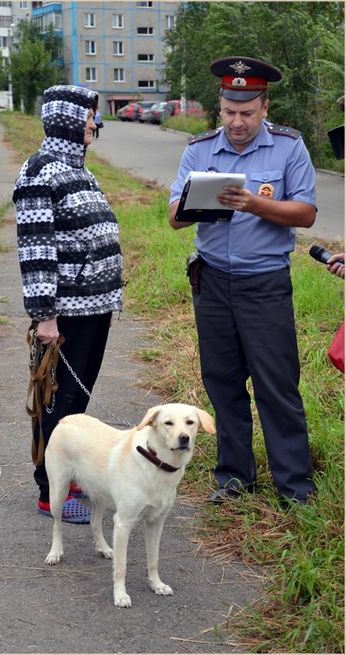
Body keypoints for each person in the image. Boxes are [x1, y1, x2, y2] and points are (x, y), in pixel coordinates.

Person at [168, 56, 317, 505]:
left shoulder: (290, 148)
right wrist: (200, 200)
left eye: (247, 112)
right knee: (222, 382)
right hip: (211, 282)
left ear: (264, 107)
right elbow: (174, 217)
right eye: (230, 111)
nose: (237, 122)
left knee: (276, 386)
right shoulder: (199, 148)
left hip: (265, 284)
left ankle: (294, 487)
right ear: (221, 105)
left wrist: (255, 205)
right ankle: (234, 478)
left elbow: (306, 212)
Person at [13, 85, 123, 522]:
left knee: (76, 402)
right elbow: (36, 251)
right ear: (70, 122)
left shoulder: (78, 169)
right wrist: (45, 317)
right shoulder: (41, 171)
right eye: (89, 117)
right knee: (57, 403)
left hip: (94, 307)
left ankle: (70, 479)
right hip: (66, 313)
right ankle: (50, 493)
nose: (95, 124)